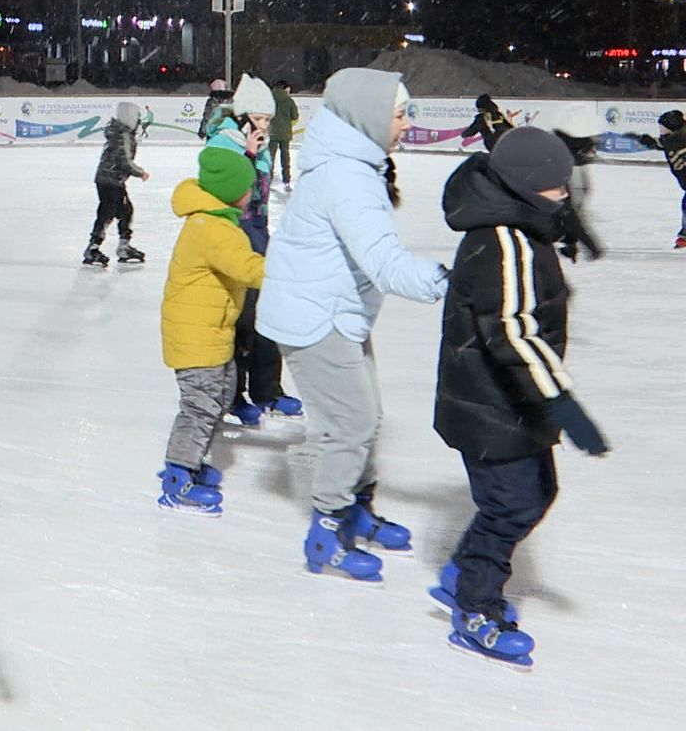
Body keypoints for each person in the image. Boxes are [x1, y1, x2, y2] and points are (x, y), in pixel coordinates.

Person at [256, 67, 449, 583]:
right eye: (400, 114)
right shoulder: (346, 176)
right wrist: (452, 281)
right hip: (314, 317)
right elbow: (383, 262)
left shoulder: (353, 166)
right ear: (368, 116)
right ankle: (327, 530)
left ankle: (358, 509)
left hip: (335, 311)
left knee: (368, 417)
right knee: (352, 425)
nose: (408, 125)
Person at [433, 126, 610, 667]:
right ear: (529, 188)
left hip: (513, 402)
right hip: (491, 406)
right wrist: (564, 402)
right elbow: (511, 331)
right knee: (511, 504)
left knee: (537, 493)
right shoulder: (503, 240)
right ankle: (476, 606)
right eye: (559, 189)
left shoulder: (521, 226)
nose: (567, 196)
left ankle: (466, 569)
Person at [156, 148, 266, 515]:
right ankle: (178, 475)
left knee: (219, 396)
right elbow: (248, 268)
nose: (252, 193)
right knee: (201, 406)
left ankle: (191, 458)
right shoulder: (212, 229)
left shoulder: (215, 221)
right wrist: (290, 270)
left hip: (211, 333)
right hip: (196, 337)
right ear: (232, 191)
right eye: (247, 187)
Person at [206, 75, 302, 424]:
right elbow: (223, 188)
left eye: (267, 120)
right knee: (240, 318)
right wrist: (248, 152)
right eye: (259, 119)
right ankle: (233, 394)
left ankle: (268, 390)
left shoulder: (258, 144)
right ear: (241, 114)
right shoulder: (221, 144)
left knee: (268, 314)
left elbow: (259, 199)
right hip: (233, 236)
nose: (264, 126)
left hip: (258, 235)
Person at [85, 101, 150, 267]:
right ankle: (94, 248)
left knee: (123, 210)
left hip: (107, 178)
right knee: (109, 211)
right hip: (112, 180)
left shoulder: (118, 132)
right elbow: (123, 160)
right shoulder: (123, 135)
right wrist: (140, 172)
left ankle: (122, 245)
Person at [633, 110, 686, 248]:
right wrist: (649, 141)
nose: (660, 130)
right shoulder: (674, 138)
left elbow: (667, 143)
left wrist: (651, 142)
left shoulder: (679, 139)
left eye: (663, 128)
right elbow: (663, 143)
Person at [269, 80, 299, 187]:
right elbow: (295, 116)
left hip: (271, 132)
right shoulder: (289, 100)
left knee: (270, 156)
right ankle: (286, 179)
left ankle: (268, 179)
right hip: (285, 133)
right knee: (285, 156)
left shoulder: (269, 99)